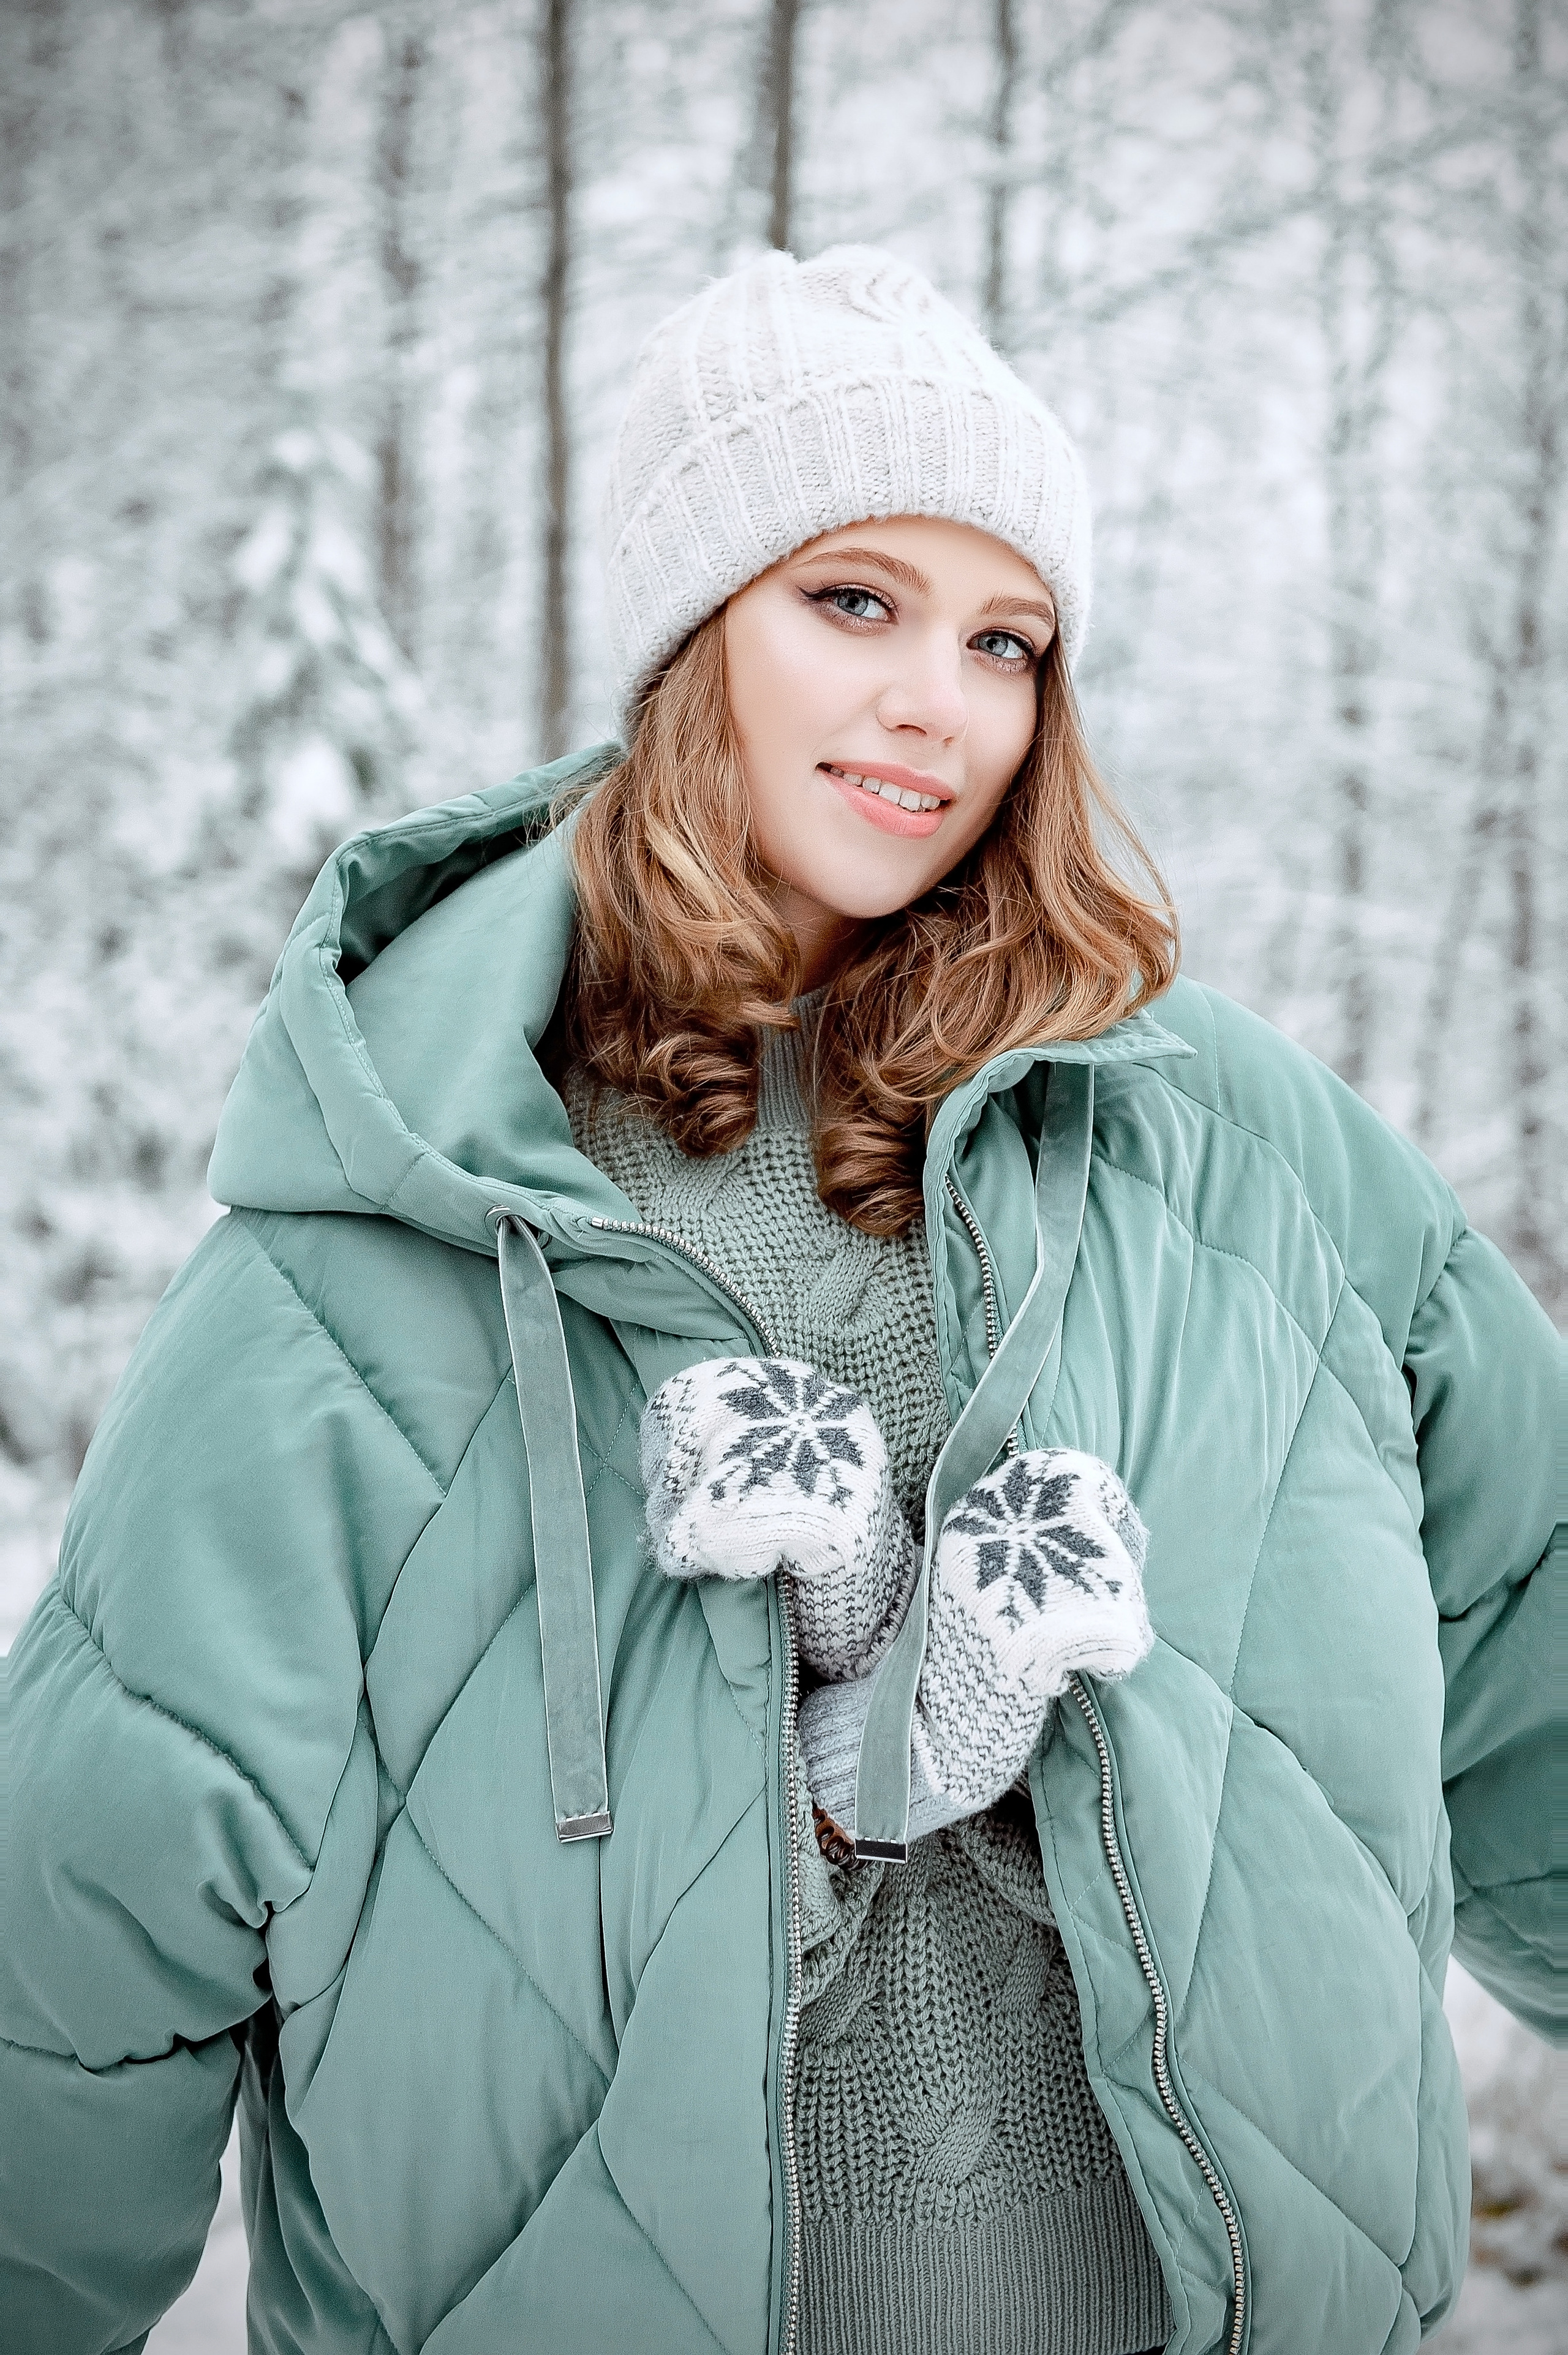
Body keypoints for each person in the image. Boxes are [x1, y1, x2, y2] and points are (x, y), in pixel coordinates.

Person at [1, 246, 1558, 2355]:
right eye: (855, 603)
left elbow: (1536, 1653)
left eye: (1007, 639)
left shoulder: (1241, 1154)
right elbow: (75, 1951)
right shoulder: (411, 1219)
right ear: (684, 639)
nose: (943, 700)